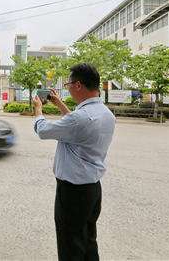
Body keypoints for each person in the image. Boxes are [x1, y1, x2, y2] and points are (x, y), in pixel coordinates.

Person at [32, 63, 116, 261]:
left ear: (79, 85)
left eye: (69, 83)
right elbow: (78, 127)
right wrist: (60, 104)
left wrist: (38, 110)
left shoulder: (79, 119)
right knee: (88, 242)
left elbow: (43, 130)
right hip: (93, 190)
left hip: (72, 193)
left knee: (70, 248)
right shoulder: (107, 114)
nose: (67, 87)